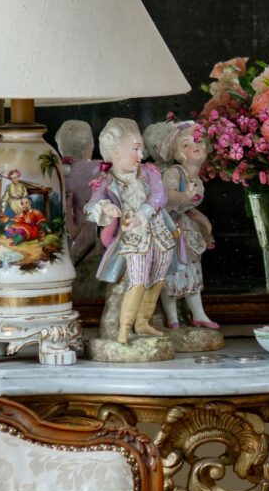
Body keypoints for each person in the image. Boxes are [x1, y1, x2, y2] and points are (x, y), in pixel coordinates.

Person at [84, 117, 176, 344]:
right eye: (135, 149)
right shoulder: (106, 181)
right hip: (133, 239)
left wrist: (142, 214)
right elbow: (89, 208)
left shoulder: (149, 172)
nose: (141, 155)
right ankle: (124, 328)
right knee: (137, 280)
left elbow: (159, 196)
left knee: (158, 278)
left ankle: (143, 322)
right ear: (115, 152)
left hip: (159, 233)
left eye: (141, 149)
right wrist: (104, 208)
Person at [152, 120, 218, 329]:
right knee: (171, 272)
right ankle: (172, 318)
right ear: (179, 154)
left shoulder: (196, 177)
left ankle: (198, 314)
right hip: (170, 228)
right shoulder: (174, 173)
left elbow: (191, 209)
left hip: (186, 228)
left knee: (191, 270)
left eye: (198, 142)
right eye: (186, 145)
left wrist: (204, 225)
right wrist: (183, 196)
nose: (195, 147)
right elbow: (166, 199)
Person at [55, 119, 99, 263]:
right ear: (90, 145)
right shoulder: (98, 169)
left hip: (60, 247)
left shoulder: (53, 171)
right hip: (90, 244)